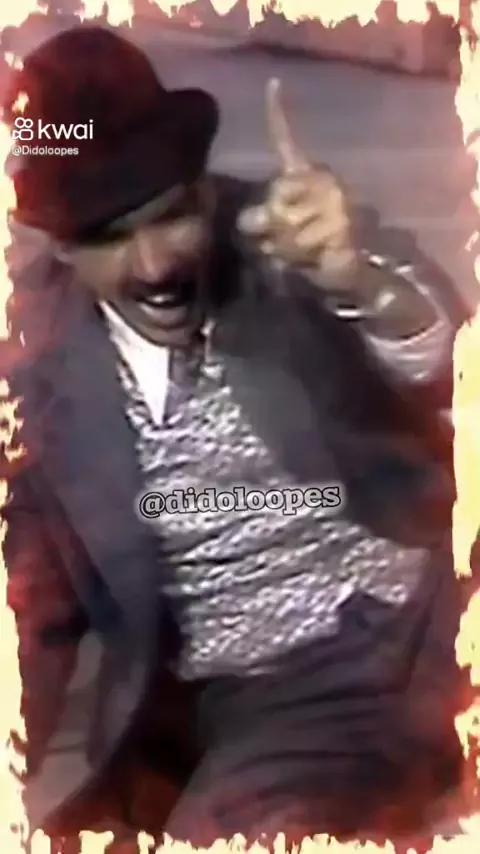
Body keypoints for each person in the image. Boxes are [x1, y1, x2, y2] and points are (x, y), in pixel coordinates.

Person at [1, 24, 469, 846]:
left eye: (170, 217)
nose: (154, 266)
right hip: (269, 695)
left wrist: (355, 277)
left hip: (430, 611)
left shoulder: (285, 230)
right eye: (109, 237)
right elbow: (31, 616)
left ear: (204, 192)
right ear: (60, 248)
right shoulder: (31, 377)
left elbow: (445, 368)